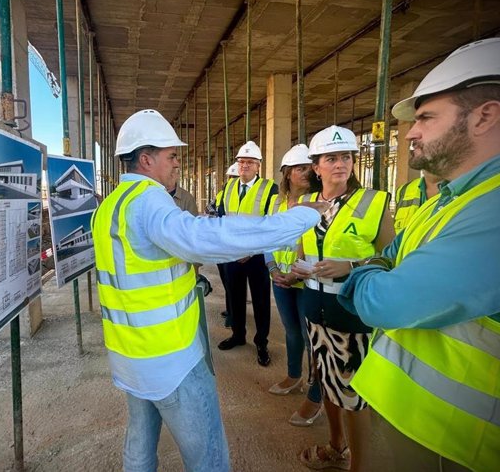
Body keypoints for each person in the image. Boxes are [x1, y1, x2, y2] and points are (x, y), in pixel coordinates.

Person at [91, 109, 326, 472]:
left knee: (139, 444)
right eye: (171, 157)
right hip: (170, 357)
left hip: (128, 353)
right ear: (146, 159)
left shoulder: (109, 206)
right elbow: (201, 239)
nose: (176, 165)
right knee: (209, 457)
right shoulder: (149, 200)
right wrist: (300, 217)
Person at [339, 37, 500, 472]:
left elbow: (387, 301)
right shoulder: (455, 200)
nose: (412, 133)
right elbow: (395, 252)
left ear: (485, 116)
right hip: (426, 424)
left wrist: (361, 275)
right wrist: (381, 267)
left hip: (465, 443)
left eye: (425, 118)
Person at [291, 125, 395, 471]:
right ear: (316, 166)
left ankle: (358, 465)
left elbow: (390, 259)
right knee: (325, 379)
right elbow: (299, 250)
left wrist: (350, 265)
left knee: (353, 395)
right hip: (314, 308)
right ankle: (336, 446)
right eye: (331, 158)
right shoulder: (305, 204)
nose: (341, 164)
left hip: (351, 313)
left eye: (346, 157)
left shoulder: (374, 202)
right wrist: (294, 268)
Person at [263, 144, 323, 428]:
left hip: (306, 280)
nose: (306, 173)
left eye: (309, 168)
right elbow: (268, 238)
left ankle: (315, 388)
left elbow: (311, 243)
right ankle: (293, 375)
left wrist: (296, 274)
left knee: (312, 335)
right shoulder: (277, 204)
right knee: (291, 331)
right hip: (280, 278)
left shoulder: (317, 203)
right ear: (287, 174)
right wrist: (273, 268)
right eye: (300, 168)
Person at [216, 141, 278, 366]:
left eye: (250, 162)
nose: (244, 166)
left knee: (261, 300)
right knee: (235, 296)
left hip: (257, 256)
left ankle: (261, 341)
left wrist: (250, 250)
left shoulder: (270, 188)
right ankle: (238, 335)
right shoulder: (229, 187)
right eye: (241, 162)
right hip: (233, 254)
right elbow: (223, 219)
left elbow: (270, 223)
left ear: (258, 166)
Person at [215, 162, 240, 328]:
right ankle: (230, 309)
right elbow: (217, 212)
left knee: (234, 285)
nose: (231, 180)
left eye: (234, 178)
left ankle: (234, 314)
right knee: (226, 282)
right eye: (230, 178)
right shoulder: (222, 194)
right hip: (222, 244)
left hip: (236, 246)